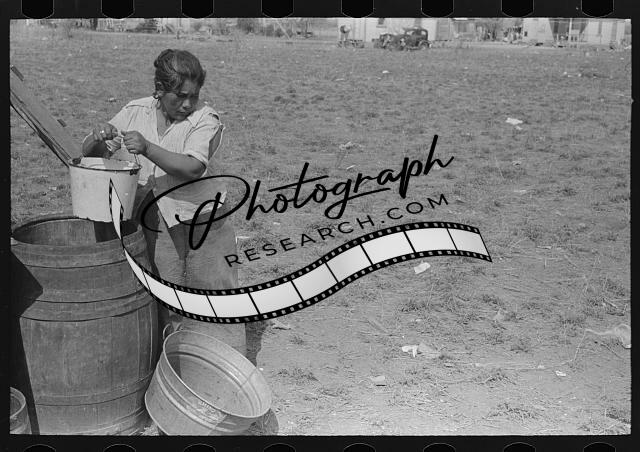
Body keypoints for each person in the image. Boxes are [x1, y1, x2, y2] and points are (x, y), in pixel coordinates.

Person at [81, 49, 264, 364]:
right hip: (159, 220)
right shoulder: (135, 111)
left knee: (215, 294)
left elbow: (192, 167)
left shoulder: (205, 119)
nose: (188, 104)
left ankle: (228, 369)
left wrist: (147, 148)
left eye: (194, 96)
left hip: (205, 219)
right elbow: (90, 151)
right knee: (169, 297)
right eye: (180, 96)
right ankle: (178, 367)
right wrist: (100, 137)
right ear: (159, 90)